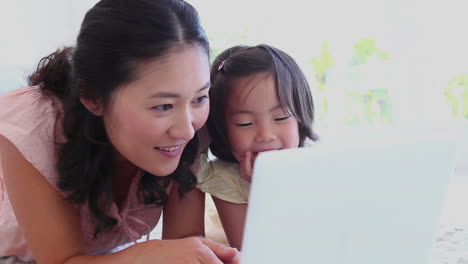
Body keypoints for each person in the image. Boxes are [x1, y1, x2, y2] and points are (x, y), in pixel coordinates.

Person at [0, 0, 240, 263]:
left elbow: (184, 247)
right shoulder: (33, 124)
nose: (186, 130)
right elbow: (61, 260)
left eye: (199, 98)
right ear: (93, 97)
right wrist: (150, 254)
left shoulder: (196, 125)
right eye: (163, 106)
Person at [196, 44, 319, 249]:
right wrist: (264, 188)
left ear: (300, 116)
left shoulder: (316, 165)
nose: (266, 135)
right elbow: (257, 252)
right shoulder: (225, 180)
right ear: (222, 128)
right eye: (245, 123)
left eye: (281, 117)